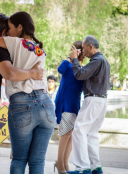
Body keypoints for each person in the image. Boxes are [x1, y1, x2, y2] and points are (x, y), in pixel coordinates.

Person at [0, 11, 55, 174]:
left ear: (19, 28)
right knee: (38, 161)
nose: (7, 31)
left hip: (22, 104)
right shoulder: (40, 50)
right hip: (46, 105)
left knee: (19, 159)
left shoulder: (13, 42)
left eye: (10, 27)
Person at [67, 36, 110, 174]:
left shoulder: (97, 60)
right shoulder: (104, 61)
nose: (83, 52)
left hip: (93, 100)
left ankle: (82, 168)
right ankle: (95, 167)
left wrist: (74, 59)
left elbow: (80, 74)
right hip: (102, 101)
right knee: (91, 134)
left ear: (91, 46)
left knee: (79, 130)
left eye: (84, 49)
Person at [54, 41, 85, 174]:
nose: (83, 53)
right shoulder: (66, 64)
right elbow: (59, 70)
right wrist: (69, 57)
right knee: (65, 134)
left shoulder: (81, 68)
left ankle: (65, 162)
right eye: (81, 50)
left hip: (75, 104)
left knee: (71, 135)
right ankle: (60, 164)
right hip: (65, 103)